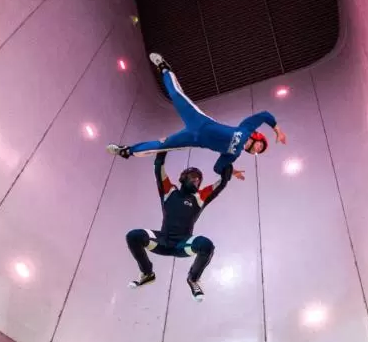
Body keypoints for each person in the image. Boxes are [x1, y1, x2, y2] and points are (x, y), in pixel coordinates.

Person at [107, 53, 286, 178]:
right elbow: (264, 114)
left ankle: (126, 151)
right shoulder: (246, 128)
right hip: (199, 121)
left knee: (162, 146)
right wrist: (278, 131)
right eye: (260, 146)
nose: (256, 150)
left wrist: (232, 172)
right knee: (177, 96)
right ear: (257, 138)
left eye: (258, 152)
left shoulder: (234, 154)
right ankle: (164, 68)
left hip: (194, 139)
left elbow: (217, 168)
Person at [125, 151, 231, 301]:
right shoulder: (169, 191)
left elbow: (221, 183)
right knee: (133, 236)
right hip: (162, 240)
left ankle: (193, 279)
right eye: (193, 177)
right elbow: (158, 168)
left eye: (199, 180)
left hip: (183, 244)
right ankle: (147, 273)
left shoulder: (199, 197)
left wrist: (228, 162)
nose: (197, 181)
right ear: (183, 178)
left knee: (206, 245)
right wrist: (163, 149)